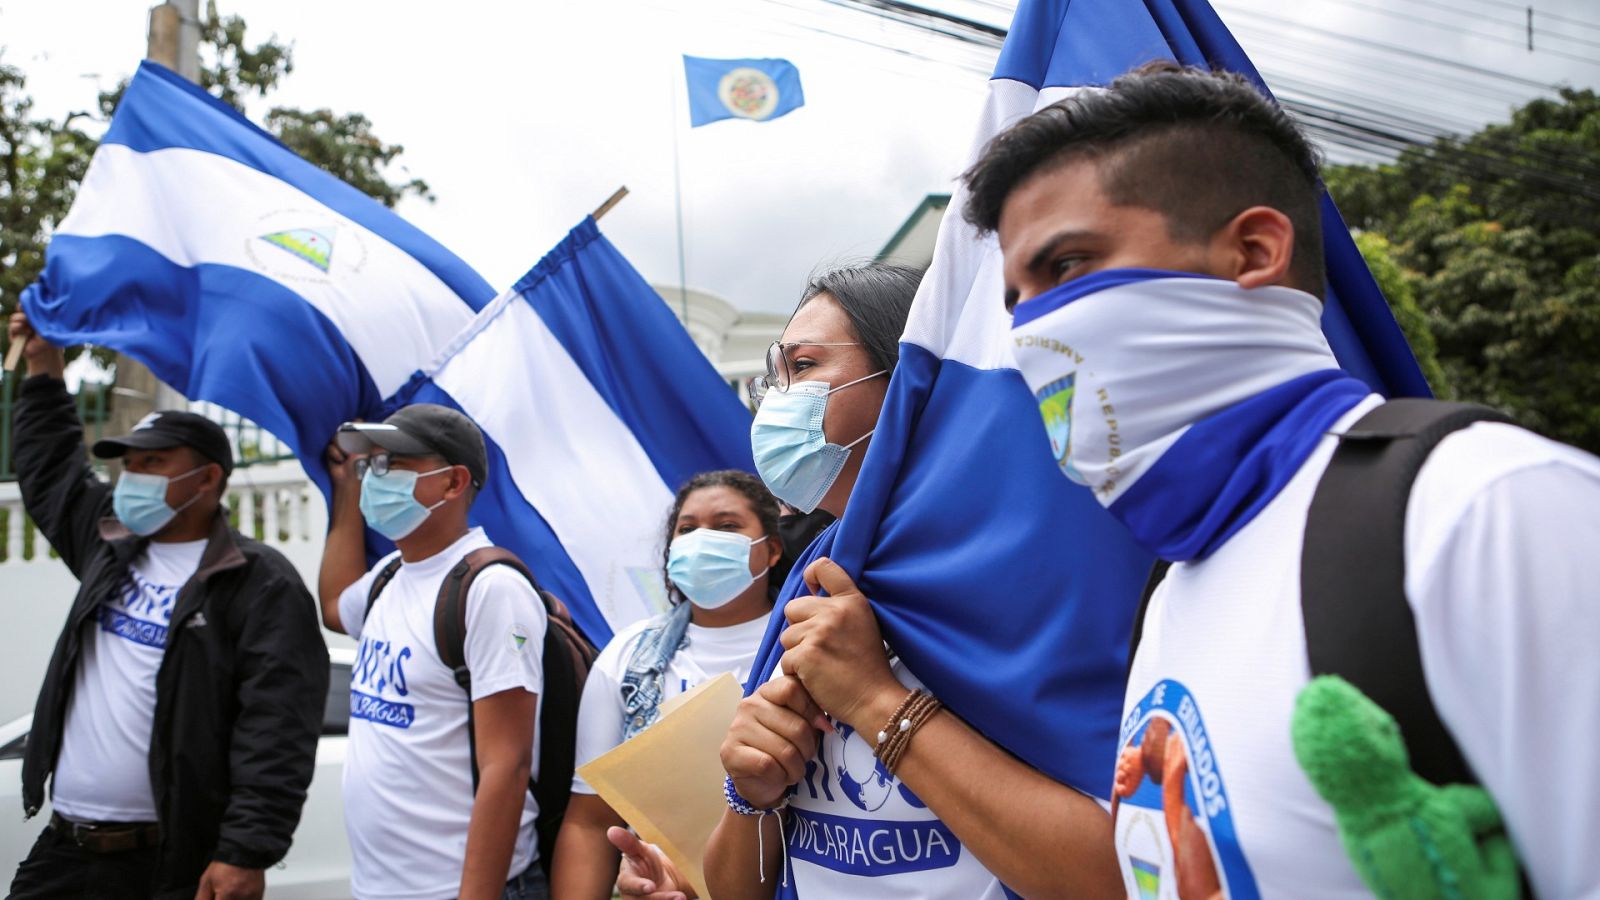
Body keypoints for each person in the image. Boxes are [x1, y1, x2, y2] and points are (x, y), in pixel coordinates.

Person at [962, 62, 1600, 898]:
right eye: (1018, 300)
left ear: (1256, 250)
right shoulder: (1174, 589)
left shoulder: (1489, 508)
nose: (1032, 330)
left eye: (1070, 267)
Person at [615, 262, 1122, 900]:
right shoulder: (819, 569)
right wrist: (752, 795)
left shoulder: (1032, 571)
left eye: (803, 368)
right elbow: (739, 887)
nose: (777, 401)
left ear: (913, 381)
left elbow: (1122, 876)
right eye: (774, 377)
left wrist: (877, 702)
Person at [5, 313, 329, 900]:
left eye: (153, 464)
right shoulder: (108, 545)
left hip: (171, 864)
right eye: (128, 464)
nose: (133, 478)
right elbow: (49, 467)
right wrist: (43, 366)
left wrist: (244, 851)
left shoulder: (258, 583)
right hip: (64, 852)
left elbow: (276, 727)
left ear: (207, 480)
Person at [318, 406, 549, 900]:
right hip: (378, 888)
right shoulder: (389, 577)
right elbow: (335, 607)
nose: (372, 480)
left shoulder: (490, 590)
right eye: (368, 465)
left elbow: (506, 765)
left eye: (390, 464)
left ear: (453, 483)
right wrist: (344, 491)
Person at [549, 470, 785, 899]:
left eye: (727, 526)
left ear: (771, 550)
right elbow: (590, 821)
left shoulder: (806, 645)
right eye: (688, 529)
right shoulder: (627, 658)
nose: (701, 540)